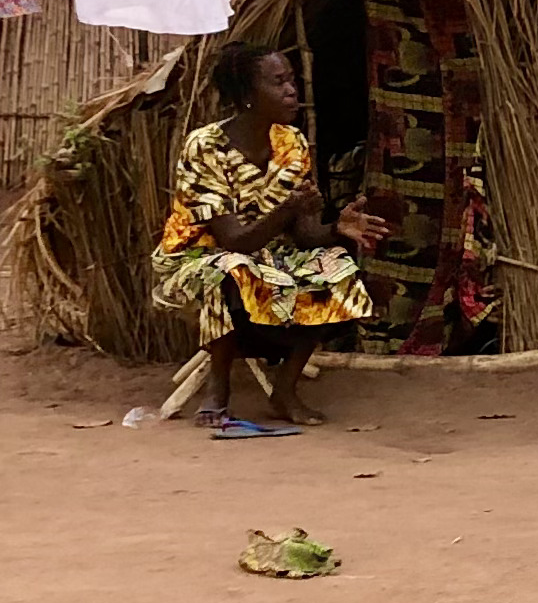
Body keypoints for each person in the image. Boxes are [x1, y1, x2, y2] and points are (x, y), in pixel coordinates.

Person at [153, 43, 390, 427]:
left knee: (337, 270)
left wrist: (336, 230)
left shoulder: (292, 144)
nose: (291, 90)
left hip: (268, 257)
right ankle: (219, 389)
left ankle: (285, 390)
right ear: (246, 95)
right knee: (230, 269)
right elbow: (232, 239)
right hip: (198, 257)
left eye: (291, 80)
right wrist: (288, 209)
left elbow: (304, 234)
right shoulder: (205, 146)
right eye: (278, 82)